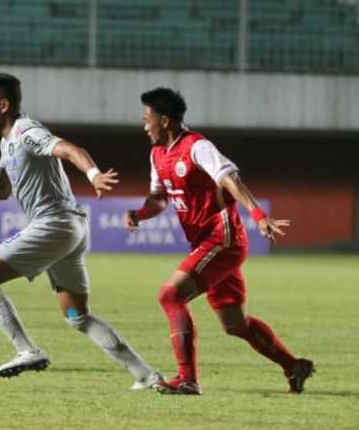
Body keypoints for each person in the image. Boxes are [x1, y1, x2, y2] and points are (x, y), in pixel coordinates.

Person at [0, 73, 163, 386]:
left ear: (3, 104)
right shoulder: (7, 141)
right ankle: (146, 374)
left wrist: (92, 174)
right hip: (71, 227)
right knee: (78, 316)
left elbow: (68, 149)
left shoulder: (26, 131)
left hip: (54, 223)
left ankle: (26, 349)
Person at [124, 87, 315, 395]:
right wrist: (140, 213)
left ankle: (187, 378)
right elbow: (159, 199)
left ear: (166, 120)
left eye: (148, 120)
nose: (145, 127)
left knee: (170, 295)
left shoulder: (197, 147)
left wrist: (257, 215)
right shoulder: (157, 154)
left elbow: (230, 179)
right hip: (204, 245)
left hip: (222, 240)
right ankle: (294, 366)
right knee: (235, 324)